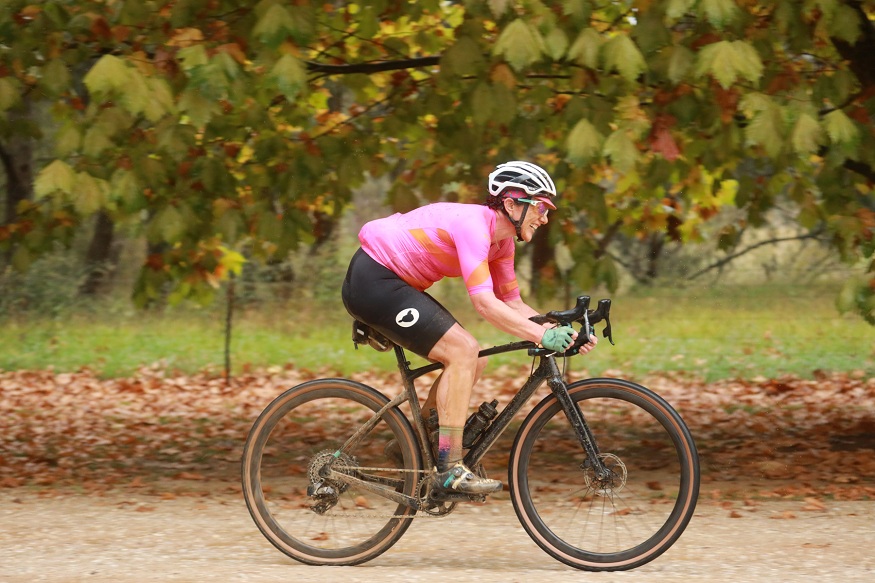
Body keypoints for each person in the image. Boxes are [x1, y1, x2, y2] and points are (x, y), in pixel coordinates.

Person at [341, 161, 598, 496]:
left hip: (398, 285)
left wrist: (560, 330)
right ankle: (448, 467)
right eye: (540, 206)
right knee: (463, 351)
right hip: (374, 281)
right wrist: (541, 335)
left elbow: (513, 303)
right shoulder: (474, 227)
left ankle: (417, 445)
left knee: (475, 360)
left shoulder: (502, 243)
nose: (545, 217)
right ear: (511, 204)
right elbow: (485, 304)